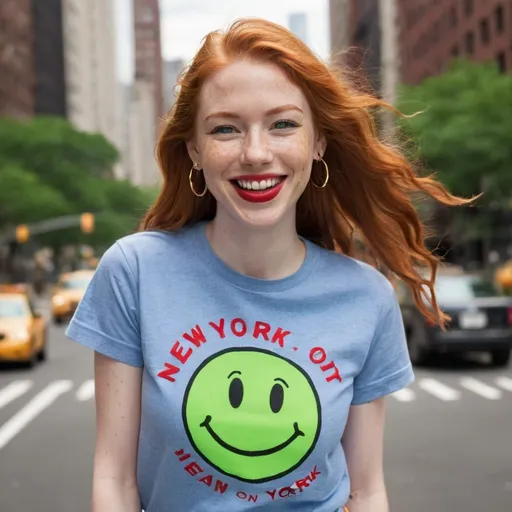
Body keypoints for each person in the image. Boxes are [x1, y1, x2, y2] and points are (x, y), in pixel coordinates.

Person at [66, 18, 470, 512]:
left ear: (317, 141)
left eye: (283, 124)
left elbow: (366, 490)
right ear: (194, 149)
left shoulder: (367, 298)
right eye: (225, 129)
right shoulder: (134, 272)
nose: (256, 153)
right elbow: (115, 481)